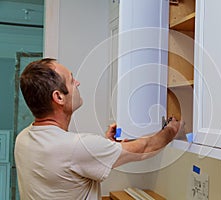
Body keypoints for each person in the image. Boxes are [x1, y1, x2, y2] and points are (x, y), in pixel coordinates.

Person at [14, 58, 181, 200]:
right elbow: (144, 149)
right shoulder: (76, 147)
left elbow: (70, 167)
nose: (77, 82)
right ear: (59, 97)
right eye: (72, 81)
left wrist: (106, 145)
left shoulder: (23, 138)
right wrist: (172, 129)